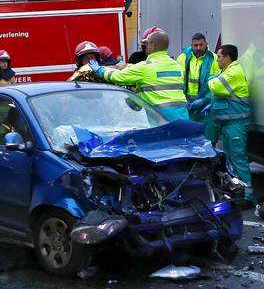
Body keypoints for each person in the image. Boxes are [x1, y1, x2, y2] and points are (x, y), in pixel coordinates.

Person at [88, 27, 189, 121]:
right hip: (183, 116)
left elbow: (117, 77)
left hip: (161, 118)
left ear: (153, 45)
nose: (145, 47)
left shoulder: (145, 67)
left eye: (147, 44)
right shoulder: (177, 65)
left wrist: (100, 70)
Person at [194, 44, 252, 202]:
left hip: (236, 124)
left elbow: (216, 87)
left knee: (238, 159)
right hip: (229, 124)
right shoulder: (226, 71)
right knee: (231, 161)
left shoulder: (233, 72)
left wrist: (212, 78)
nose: (217, 59)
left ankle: (247, 195)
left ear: (227, 57)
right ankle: (237, 191)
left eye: (219, 56)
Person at [176, 33, 216, 123]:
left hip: (206, 105)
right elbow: (177, 82)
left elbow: (216, 85)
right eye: (196, 45)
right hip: (186, 104)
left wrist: (204, 100)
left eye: (201, 45)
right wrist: (182, 99)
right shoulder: (182, 58)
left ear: (206, 44)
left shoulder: (214, 59)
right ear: (191, 45)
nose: (198, 48)